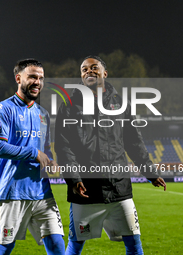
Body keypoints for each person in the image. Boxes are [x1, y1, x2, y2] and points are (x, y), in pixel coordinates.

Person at [54, 55, 167, 255]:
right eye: (84, 69)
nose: (88, 71)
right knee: (75, 245)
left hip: (118, 188)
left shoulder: (121, 103)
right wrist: (74, 179)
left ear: (105, 73)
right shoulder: (69, 105)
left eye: (94, 67)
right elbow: (64, 147)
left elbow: (134, 142)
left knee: (134, 244)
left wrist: (150, 172)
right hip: (85, 190)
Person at [0, 59, 65, 255]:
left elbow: (45, 149)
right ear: (18, 78)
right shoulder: (4, 109)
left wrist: (50, 162)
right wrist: (34, 153)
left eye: (40, 78)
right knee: (5, 247)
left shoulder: (43, 114)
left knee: (57, 244)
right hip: (12, 192)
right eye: (32, 76)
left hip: (41, 192)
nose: (37, 82)